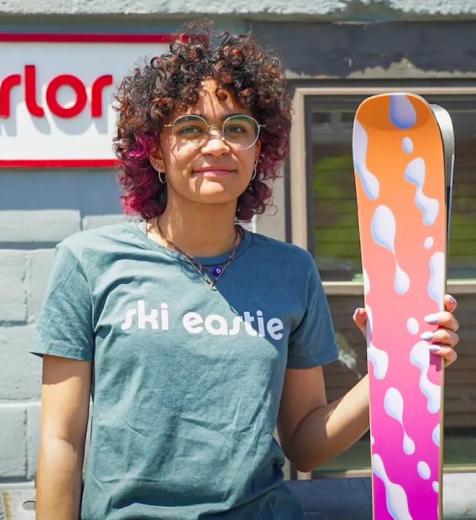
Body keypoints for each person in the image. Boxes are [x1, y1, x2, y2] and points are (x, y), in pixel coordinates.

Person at [30, 23, 461, 519]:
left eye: (237, 128)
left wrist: (395, 367)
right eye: (191, 128)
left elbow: (306, 445)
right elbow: (62, 439)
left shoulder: (290, 271)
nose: (217, 145)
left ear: (259, 151)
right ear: (154, 151)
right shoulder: (89, 261)